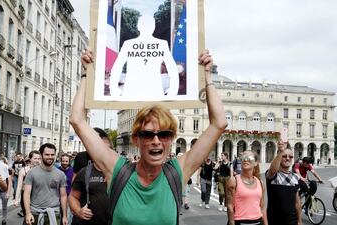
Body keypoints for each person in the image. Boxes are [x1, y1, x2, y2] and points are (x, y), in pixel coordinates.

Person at [70, 48, 226, 224]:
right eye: (147, 135)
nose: (156, 141)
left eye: (164, 134)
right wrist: (85, 74)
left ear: (171, 138)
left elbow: (219, 123)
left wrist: (207, 76)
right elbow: (77, 120)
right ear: (136, 139)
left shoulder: (177, 172)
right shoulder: (117, 170)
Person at [69, 128, 112, 225]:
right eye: (99, 149)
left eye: (107, 149)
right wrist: (79, 211)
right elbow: (72, 196)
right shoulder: (84, 172)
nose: (103, 152)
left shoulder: (121, 172)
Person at [23, 143, 68, 225]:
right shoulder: (31, 173)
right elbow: (26, 194)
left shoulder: (60, 174)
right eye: (47, 154)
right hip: (35, 213)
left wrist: (64, 215)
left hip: (54, 214)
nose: (50, 157)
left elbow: (63, 196)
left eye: (52, 154)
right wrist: (28, 213)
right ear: (41, 155)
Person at [226, 151, 267, 225]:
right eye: (243, 158)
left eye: (249, 158)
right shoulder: (233, 180)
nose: (245, 160)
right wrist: (232, 222)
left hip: (258, 222)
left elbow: (262, 207)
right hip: (240, 222)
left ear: (255, 163)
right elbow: (229, 206)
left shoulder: (260, 183)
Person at [266, 142, 301, 225]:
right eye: (284, 156)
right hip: (274, 220)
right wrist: (281, 151)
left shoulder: (295, 177)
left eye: (290, 157)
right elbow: (272, 170)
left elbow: (297, 201)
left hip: (291, 220)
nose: (288, 158)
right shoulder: (273, 175)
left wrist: (299, 221)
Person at [14, 151, 41, 217]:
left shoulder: (42, 170)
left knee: (37, 217)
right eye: (35, 158)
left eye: (39, 158)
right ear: (30, 159)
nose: (37, 160)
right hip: (26, 196)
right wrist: (16, 199)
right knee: (27, 217)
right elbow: (19, 186)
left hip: (38, 196)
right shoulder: (23, 170)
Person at [57, 153, 74, 223]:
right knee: (58, 215)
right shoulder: (56, 171)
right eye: (63, 161)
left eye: (66, 161)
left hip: (68, 197)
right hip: (57, 197)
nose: (64, 163)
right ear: (60, 161)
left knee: (67, 216)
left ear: (69, 162)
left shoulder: (73, 171)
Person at [0, 155, 13, 225]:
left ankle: (4, 219)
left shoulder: (7, 170)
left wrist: (8, 192)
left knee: (4, 206)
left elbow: (10, 183)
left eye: (2, 162)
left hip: (4, 191)